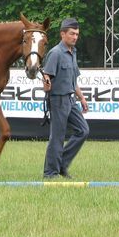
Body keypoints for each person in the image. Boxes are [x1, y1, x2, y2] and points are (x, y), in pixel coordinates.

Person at [41, 17, 90, 179]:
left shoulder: (72, 52)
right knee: (57, 137)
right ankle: (50, 173)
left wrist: (82, 98)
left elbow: (73, 79)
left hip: (71, 100)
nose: (75, 37)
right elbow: (46, 77)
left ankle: (62, 165)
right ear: (63, 34)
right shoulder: (55, 53)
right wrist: (46, 84)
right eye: (72, 34)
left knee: (83, 130)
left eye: (77, 34)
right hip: (58, 100)